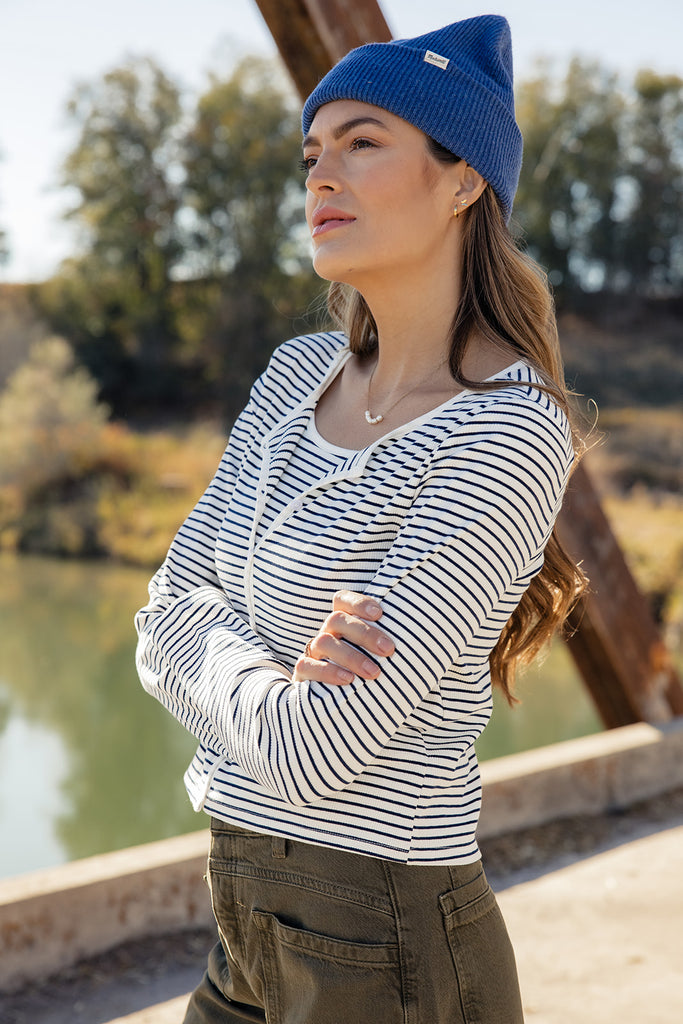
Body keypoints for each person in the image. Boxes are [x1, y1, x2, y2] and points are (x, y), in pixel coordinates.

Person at [135, 14, 586, 1023]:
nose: (319, 176)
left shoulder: (506, 431)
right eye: (311, 152)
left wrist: (207, 639)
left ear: (463, 178)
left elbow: (318, 750)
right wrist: (255, 670)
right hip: (241, 919)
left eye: (361, 143)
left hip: (388, 951)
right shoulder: (295, 374)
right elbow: (156, 613)